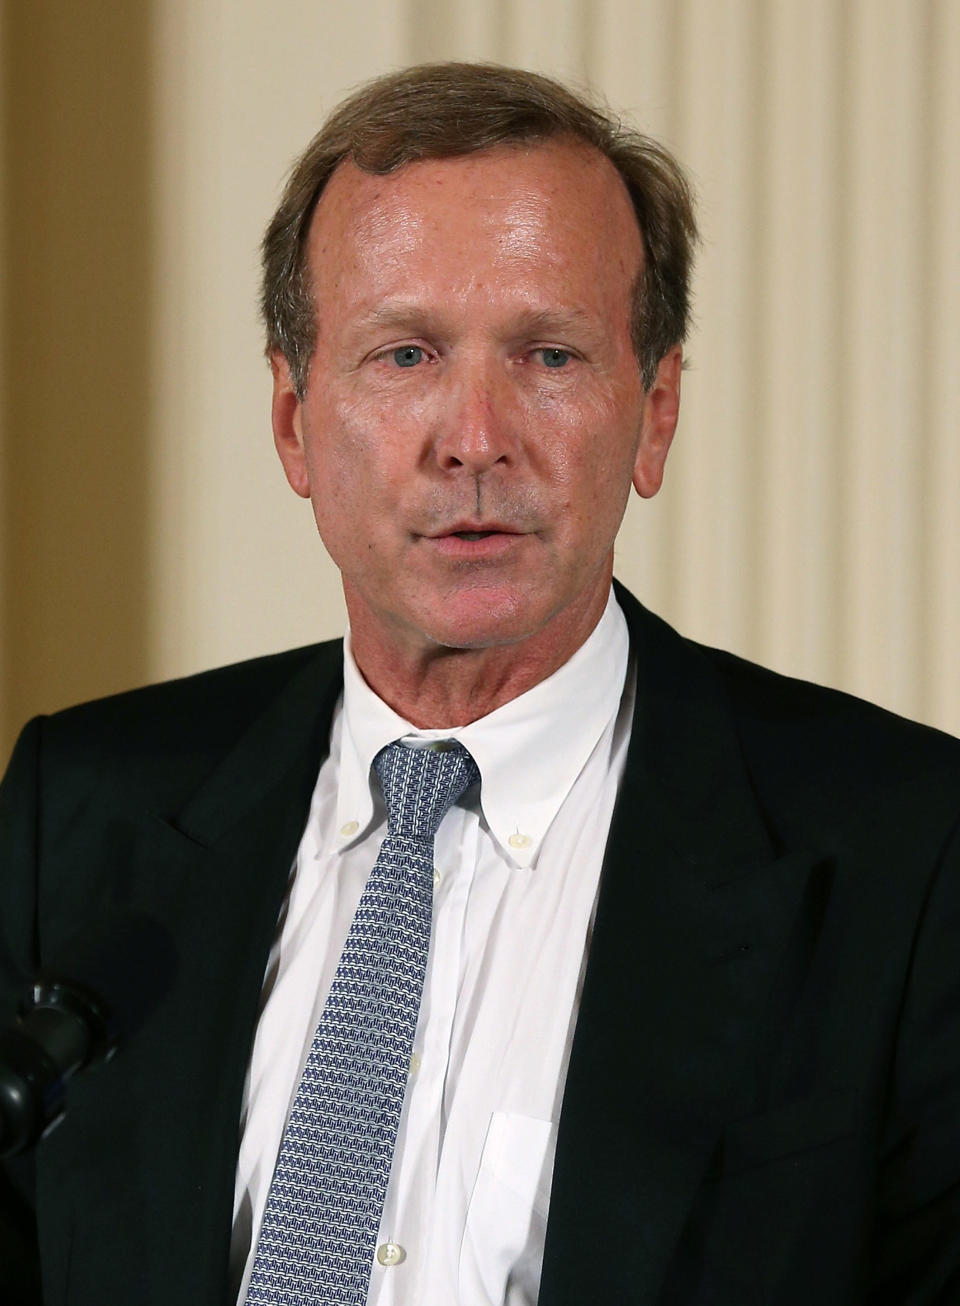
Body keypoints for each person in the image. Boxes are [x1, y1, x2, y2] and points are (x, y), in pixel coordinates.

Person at [2, 61, 959, 1306]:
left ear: (654, 412)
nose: (474, 437)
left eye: (550, 356)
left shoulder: (907, 851)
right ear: (294, 419)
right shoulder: (80, 809)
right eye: (403, 355)